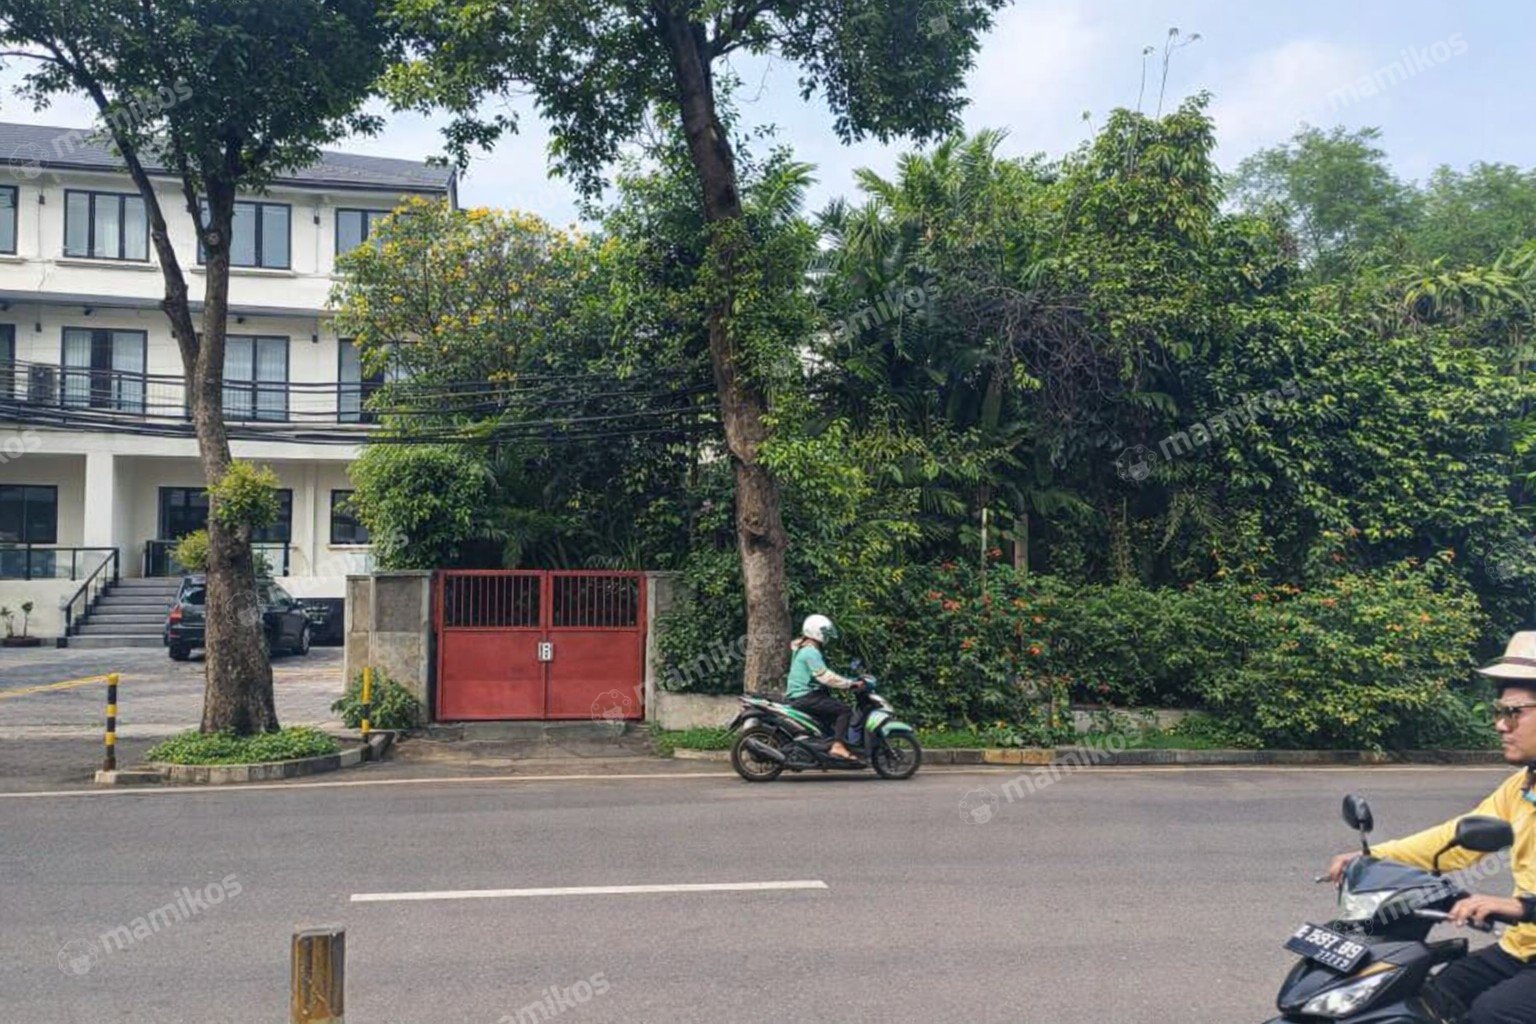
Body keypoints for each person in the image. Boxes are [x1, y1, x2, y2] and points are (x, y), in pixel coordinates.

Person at [1325, 631, 1536, 1023]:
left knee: (1492, 1014)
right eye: (1499, 711)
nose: (1500, 725)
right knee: (1430, 997)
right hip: (1524, 946)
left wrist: (1521, 906)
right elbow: (1456, 839)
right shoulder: (1522, 787)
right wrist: (1375, 857)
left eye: (1514, 712)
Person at [785, 614, 863, 761]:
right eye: (824, 632)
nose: (826, 637)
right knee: (844, 710)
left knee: (830, 715)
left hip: (802, 695)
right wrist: (850, 683)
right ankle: (838, 746)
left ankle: (824, 750)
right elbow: (825, 676)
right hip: (805, 696)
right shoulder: (810, 652)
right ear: (815, 631)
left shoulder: (802, 648)